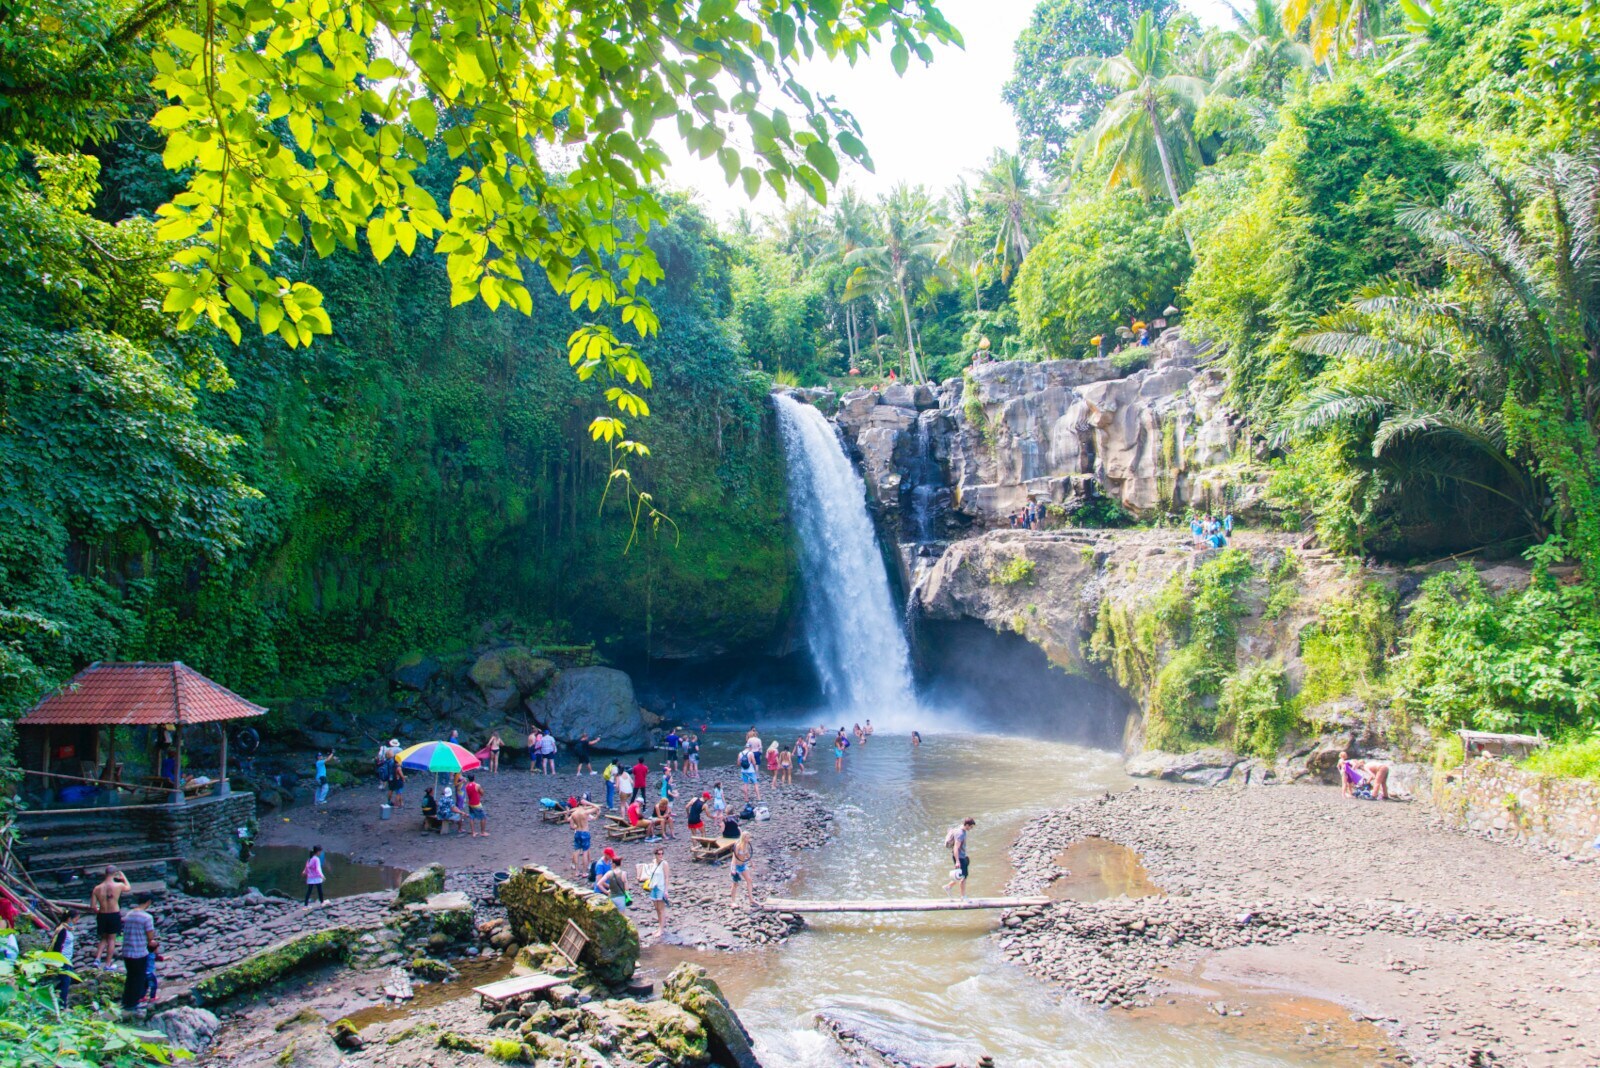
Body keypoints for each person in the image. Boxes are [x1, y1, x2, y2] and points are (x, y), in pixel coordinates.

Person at [118, 896, 157, 1013]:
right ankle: (133, 1004)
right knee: (139, 978)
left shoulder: (129, 914)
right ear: (148, 902)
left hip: (127, 951)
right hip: (139, 952)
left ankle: (126, 1001)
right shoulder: (147, 917)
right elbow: (150, 937)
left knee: (130, 977)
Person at [91, 866, 131, 969]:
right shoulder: (118, 885)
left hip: (102, 914)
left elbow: (93, 906)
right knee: (112, 939)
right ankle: (108, 964)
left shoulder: (97, 888)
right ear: (115, 874)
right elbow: (128, 888)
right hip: (114, 914)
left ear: (105, 874)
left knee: (103, 938)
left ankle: (97, 959)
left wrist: (99, 911)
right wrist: (123, 877)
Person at [642, 847, 670, 940]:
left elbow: (666, 877)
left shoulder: (664, 864)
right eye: (659, 854)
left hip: (660, 888)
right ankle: (659, 927)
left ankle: (661, 929)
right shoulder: (653, 862)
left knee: (661, 909)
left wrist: (666, 890)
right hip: (653, 887)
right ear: (655, 854)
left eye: (662, 854)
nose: (661, 855)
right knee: (657, 908)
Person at [50, 913, 77, 1007]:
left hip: (68, 960)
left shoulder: (68, 929)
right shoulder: (62, 930)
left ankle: (58, 999)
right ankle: (62, 1005)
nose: (76, 922)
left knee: (65, 981)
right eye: (75, 919)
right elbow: (57, 946)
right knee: (66, 981)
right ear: (69, 919)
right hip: (62, 960)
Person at [567, 799, 598, 877]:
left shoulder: (573, 814)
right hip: (585, 832)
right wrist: (588, 803)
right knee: (585, 852)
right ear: (583, 805)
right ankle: (584, 872)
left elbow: (571, 826)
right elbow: (597, 807)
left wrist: (577, 826)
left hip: (577, 832)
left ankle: (577, 871)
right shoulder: (585, 812)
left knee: (576, 851)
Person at [947, 817, 975, 899]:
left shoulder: (959, 829)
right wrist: (957, 861)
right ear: (967, 825)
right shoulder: (961, 834)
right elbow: (956, 848)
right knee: (963, 877)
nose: (971, 828)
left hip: (962, 856)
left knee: (960, 875)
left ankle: (948, 887)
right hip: (959, 857)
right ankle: (963, 896)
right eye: (971, 827)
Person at [728, 831, 753, 908]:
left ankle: (751, 899)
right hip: (736, 865)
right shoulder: (738, 845)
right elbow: (734, 856)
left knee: (749, 880)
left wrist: (752, 862)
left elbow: (747, 854)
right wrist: (734, 869)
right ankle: (732, 902)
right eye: (747, 838)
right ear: (744, 838)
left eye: (749, 838)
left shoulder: (746, 845)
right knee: (735, 884)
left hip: (743, 865)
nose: (748, 840)